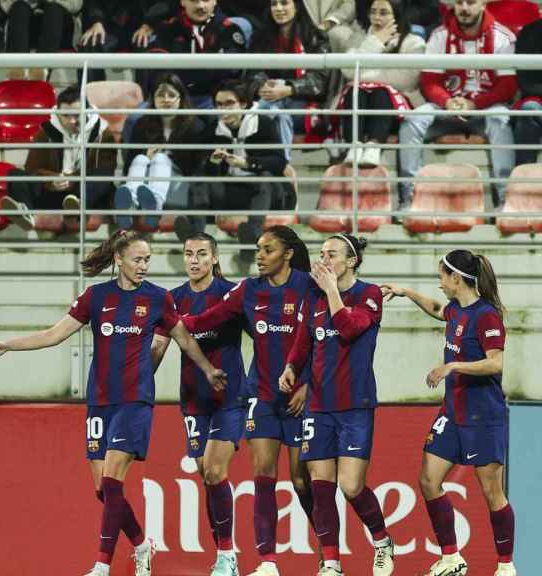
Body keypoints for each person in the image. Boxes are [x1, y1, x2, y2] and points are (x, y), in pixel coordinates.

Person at [0, 229, 228, 576]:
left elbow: (184, 340)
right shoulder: (96, 297)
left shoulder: (158, 298)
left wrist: (209, 369)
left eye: (148, 260)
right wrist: (8, 345)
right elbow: (53, 334)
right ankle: (141, 544)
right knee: (102, 490)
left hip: (135, 401)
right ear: (118, 259)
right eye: (138, 259)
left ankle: (101, 565)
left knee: (112, 482)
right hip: (99, 401)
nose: (144, 266)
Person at [178, 225, 316, 576]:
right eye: (257, 248)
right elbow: (208, 319)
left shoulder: (307, 286)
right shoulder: (248, 289)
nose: (259, 255)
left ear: (286, 254)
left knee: (302, 482)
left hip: (301, 396)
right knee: (262, 476)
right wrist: (168, 320)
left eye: (267, 249)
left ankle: (329, 556)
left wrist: (308, 385)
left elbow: (324, 337)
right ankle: (267, 562)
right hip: (262, 394)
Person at [381, 251, 515, 576]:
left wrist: (453, 365)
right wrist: (406, 292)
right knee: (428, 480)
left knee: (492, 493)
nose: (439, 283)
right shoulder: (455, 309)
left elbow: (496, 362)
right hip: (453, 412)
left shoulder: (486, 316)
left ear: (456, 279)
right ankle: (452, 557)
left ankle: (505, 566)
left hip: (483, 416)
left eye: (442, 277)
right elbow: (439, 310)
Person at [278, 234, 395, 576]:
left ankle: (382, 540)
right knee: (321, 482)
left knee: (351, 485)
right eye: (321, 253)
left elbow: (347, 329)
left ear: (352, 260)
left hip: (355, 404)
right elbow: (303, 340)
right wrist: (290, 368)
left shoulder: (369, 295)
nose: (323, 259)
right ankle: (331, 563)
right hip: (319, 404)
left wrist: (331, 290)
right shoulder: (312, 296)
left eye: (332, 254)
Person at [151, 232, 247, 576]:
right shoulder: (172, 300)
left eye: (202, 254)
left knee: (215, 469)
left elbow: (264, 337)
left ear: (215, 258)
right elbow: (159, 346)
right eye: (189, 254)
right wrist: (138, 383)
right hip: (192, 400)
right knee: (208, 476)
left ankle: (226, 556)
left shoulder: (232, 294)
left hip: (230, 397)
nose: (194, 260)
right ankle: (224, 556)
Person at [397, 0, 516, 211]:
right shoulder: (439, 36)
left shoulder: (502, 37)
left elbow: (507, 87)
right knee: (412, 120)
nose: (464, 8)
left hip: (484, 110)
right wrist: (447, 101)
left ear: (483, 4)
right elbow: (429, 81)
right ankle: (409, 199)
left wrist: (474, 103)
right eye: (459, 2)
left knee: (500, 118)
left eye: (471, 2)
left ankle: (505, 201)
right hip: (447, 109)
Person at [175, 80, 289, 270]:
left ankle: (252, 238)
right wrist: (213, 162)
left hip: (263, 194)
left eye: (229, 103)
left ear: (243, 104)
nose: (223, 109)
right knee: (200, 182)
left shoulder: (263, 124)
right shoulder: (212, 129)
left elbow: (279, 162)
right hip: (230, 192)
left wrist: (247, 163)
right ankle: (196, 239)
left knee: (263, 180)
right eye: (219, 104)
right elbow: (200, 169)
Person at [0, 86, 117, 230]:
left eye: (76, 115)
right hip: (53, 191)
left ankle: (80, 206)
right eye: (66, 115)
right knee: (15, 175)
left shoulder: (103, 134)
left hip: (83, 192)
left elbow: (105, 170)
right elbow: (32, 168)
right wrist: (52, 179)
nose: (71, 121)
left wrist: (71, 179)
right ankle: (26, 214)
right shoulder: (46, 132)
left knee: (101, 176)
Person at [331, 0, 425, 167]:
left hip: (398, 110)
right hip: (361, 104)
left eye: (383, 13)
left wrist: (363, 74)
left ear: (396, 16)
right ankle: (355, 146)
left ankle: (374, 146)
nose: (376, 17)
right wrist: (375, 42)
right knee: (356, 89)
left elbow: (406, 79)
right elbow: (346, 70)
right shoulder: (358, 38)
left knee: (380, 90)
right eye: (373, 12)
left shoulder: (413, 42)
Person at [116, 73, 204, 231]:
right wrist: (146, 155)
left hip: (179, 183)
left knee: (161, 158)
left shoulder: (194, 126)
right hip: (145, 181)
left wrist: (167, 153)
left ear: (181, 99)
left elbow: (195, 167)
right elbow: (129, 162)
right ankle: (129, 204)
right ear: (153, 99)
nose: (166, 100)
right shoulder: (142, 124)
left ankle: (151, 206)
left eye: (172, 95)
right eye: (160, 95)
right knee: (140, 159)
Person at [248, 0, 330, 162]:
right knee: (275, 113)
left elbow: (320, 80)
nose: (278, 9)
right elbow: (252, 72)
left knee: (268, 114)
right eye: (273, 4)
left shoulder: (315, 36)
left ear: (297, 6)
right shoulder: (260, 37)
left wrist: (288, 89)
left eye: (284, 3)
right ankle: (282, 166)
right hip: (270, 98)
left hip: (304, 103)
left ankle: (272, 166)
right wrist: (263, 85)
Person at [149, 0, 250, 108]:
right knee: (134, 118)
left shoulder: (229, 29)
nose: (201, 6)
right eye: (194, 1)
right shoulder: (166, 29)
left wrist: (184, 73)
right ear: (183, 2)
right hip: (173, 96)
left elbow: (232, 70)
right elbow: (156, 71)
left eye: (206, 0)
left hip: (214, 97)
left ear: (215, 2)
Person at [513, 17, 542, 167]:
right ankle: (523, 176)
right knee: (529, 110)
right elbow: (525, 80)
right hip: (537, 98)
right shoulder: (529, 32)